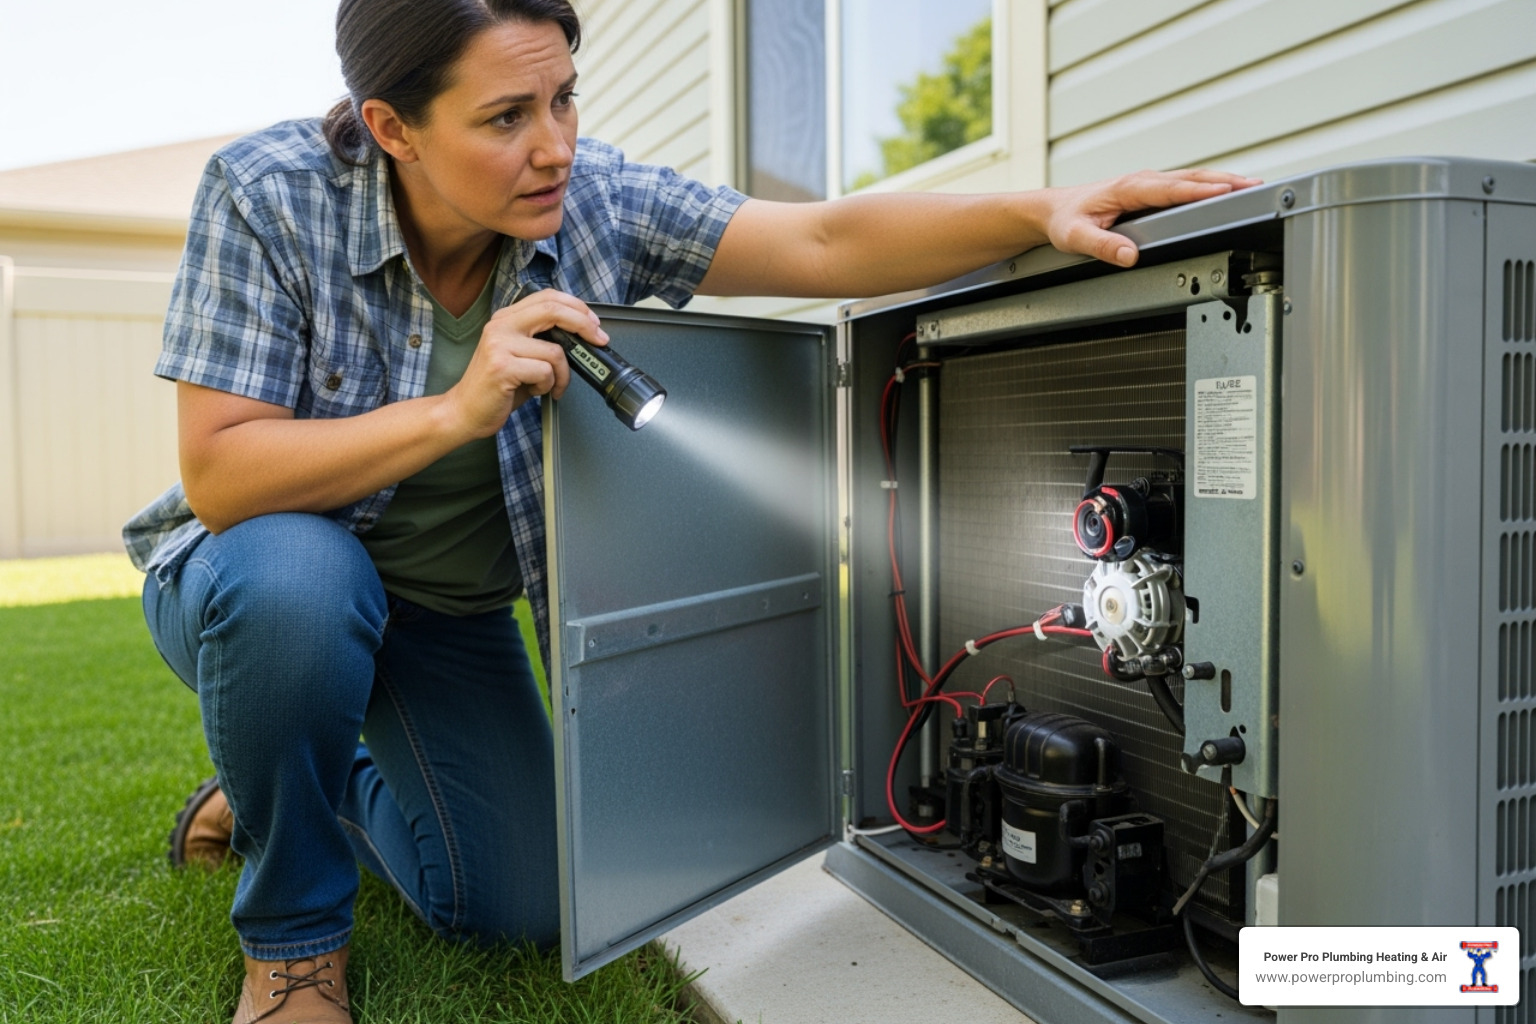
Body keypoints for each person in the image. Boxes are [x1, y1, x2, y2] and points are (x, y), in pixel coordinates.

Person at [124, 0, 1259, 1020]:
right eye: (507, 116)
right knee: (299, 586)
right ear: (393, 127)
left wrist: (1040, 205)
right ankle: (294, 947)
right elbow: (225, 474)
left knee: (519, 901)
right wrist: (455, 411)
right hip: (263, 578)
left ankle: (284, 768)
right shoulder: (267, 195)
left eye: (565, 96)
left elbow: (814, 241)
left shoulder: (595, 199)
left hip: (441, 619)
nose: (555, 144)